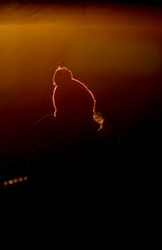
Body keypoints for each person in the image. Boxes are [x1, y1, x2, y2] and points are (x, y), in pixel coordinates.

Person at [25, 66, 125, 246]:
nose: (85, 114)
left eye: (86, 109)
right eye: (81, 109)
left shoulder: (44, 152)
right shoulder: (103, 146)